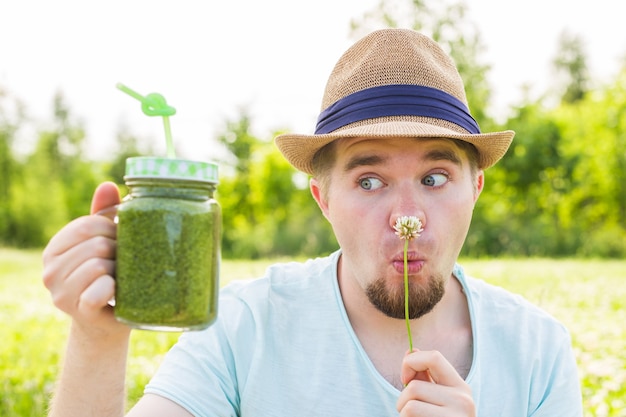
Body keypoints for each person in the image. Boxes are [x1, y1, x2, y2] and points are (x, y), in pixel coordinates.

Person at [42, 28, 583, 416]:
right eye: (369, 181)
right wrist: (96, 339)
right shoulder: (242, 328)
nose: (406, 218)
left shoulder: (536, 350)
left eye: (435, 177)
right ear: (323, 198)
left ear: (476, 188)